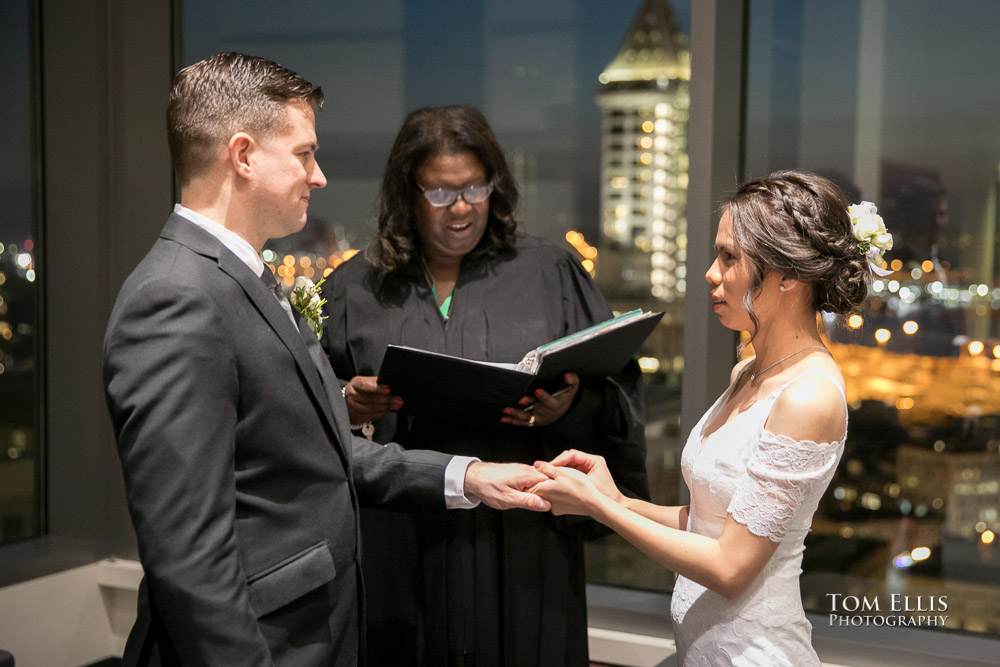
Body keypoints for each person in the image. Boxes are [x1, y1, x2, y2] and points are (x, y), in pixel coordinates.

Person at [103, 53, 551, 667]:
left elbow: (317, 453)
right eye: (305, 153)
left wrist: (467, 476)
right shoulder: (175, 300)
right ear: (242, 156)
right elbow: (189, 561)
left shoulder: (241, 278)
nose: (318, 176)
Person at [323, 105, 649, 666]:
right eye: (440, 193)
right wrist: (348, 403)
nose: (461, 209)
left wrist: (569, 406)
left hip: (524, 539)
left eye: (475, 188)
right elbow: (306, 402)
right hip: (403, 539)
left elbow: (615, 391)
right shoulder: (357, 287)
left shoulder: (550, 272)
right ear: (408, 192)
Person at [533, 170, 877, 666]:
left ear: (788, 275)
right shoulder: (749, 371)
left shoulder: (810, 398)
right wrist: (613, 499)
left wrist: (602, 510)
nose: (711, 274)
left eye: (729, 257)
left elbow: (731, 568)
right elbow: (710, 525)